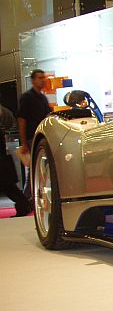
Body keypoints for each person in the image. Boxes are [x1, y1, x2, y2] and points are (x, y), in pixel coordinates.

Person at [17, 69, 51, 199]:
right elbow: (22, 119)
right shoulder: (27, 97)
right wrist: (24, 141)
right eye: (39, 78)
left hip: (41, 137)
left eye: (44, 77)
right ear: (33, 80)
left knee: (38, 167)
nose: (42, 80)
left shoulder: (42, 98)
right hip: (32, 137)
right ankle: (27, 197)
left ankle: (30, 196)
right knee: (34, 167)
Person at [0, 103, 32, 216]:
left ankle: (23, 203)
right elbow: (11, 123)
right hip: (2, 147)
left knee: (6, 181)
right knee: (7, 181)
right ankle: (23, 203)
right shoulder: (4, 110)